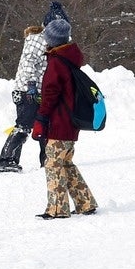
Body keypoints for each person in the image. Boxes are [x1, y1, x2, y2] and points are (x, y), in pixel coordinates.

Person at [33, 17, 96, 218]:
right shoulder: (69, 58)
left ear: (52, 39)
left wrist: (41, 119)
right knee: (66, 163)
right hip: (71, 123)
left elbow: (50, 95)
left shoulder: (57, 63)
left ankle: (57, 209)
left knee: (53, 164)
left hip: (59, 123)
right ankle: (85, 203)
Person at [0, 24, 48, 172]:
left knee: (44, 125)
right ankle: (6, 159)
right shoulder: (38, 40)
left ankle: (47, 159)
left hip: (32, 91)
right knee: (24, 126)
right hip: (27, 91)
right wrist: (31, 85)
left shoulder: (42, 40)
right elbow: (28, 65)